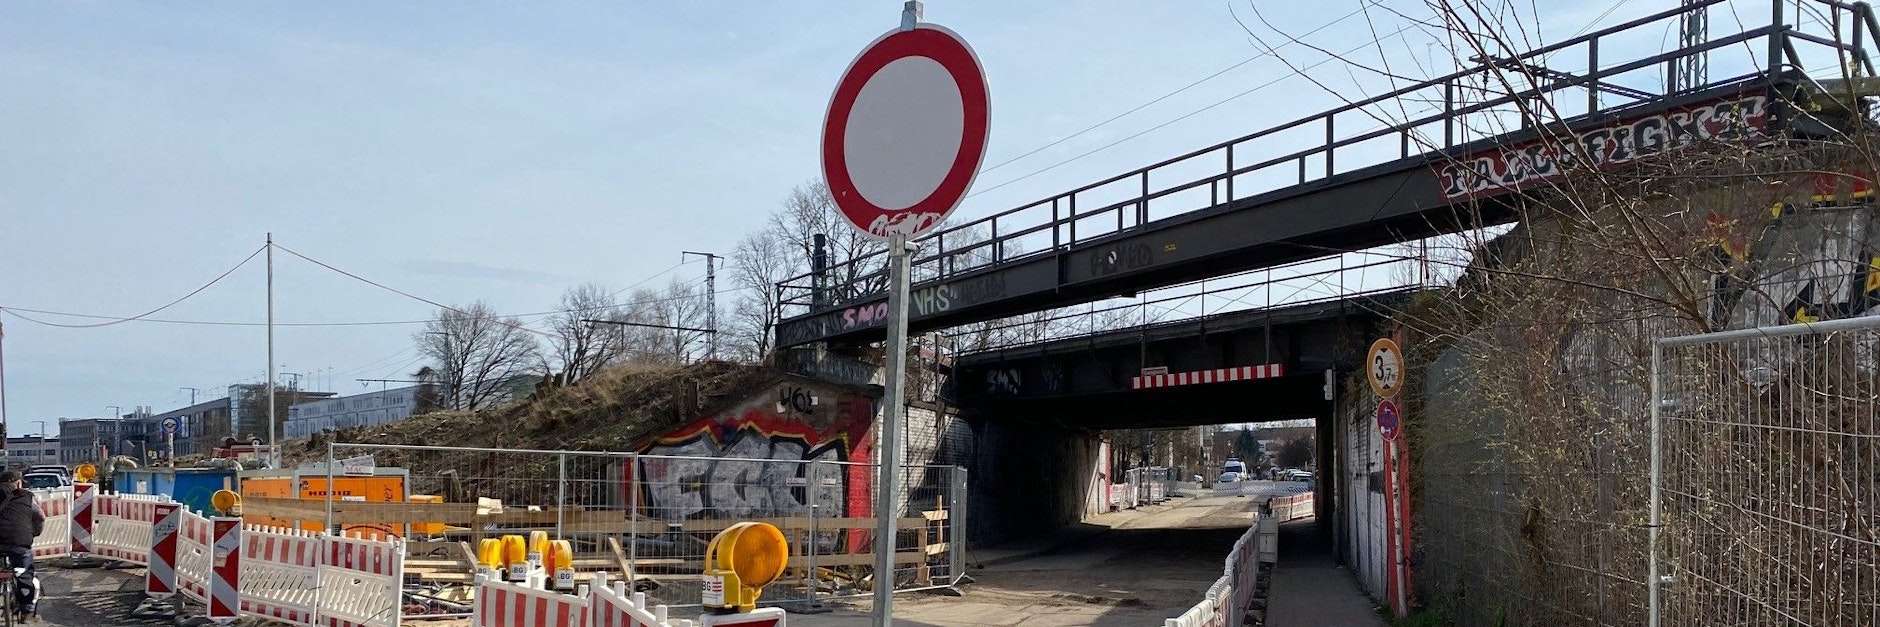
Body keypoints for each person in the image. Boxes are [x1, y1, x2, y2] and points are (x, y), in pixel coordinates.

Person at [0, 470, 43, 620]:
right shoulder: (27, 496)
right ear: (18, 483)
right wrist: (33, 533)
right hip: (19, 541)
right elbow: (39, 517)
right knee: (26, 572)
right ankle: (27, 610)